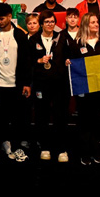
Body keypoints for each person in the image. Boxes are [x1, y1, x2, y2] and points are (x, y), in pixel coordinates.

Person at [0, 2, 31, 164]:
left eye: (2, 18)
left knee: (17, 120)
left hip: (16, 86)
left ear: (10, 16)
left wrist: (26, 83)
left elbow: (26, 61)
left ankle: (16, 148)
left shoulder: (20, 35)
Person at [66, 12, 100, 165]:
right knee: (84, 121)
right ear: (86, 24)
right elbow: (71, 61)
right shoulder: (76, 43)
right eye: (92, 22)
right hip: (84, 89)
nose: (96, 24)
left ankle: (96, 152)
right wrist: (68, 62)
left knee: (98, 120)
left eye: (97, 22)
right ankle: (85, 153)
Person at [29, 10, 69, 163]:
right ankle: (45, 147)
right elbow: (26, 61)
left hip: (59, 84)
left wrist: (68, 61)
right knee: (42, 116)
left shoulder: (62, 38)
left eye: (52, 21)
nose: (50, 24)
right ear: (41, 24)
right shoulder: (33, 40)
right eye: (47, 22)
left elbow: (69, 55)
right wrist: (38, 61)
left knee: (60, 116)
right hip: (41, 84)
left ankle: (61, 149)